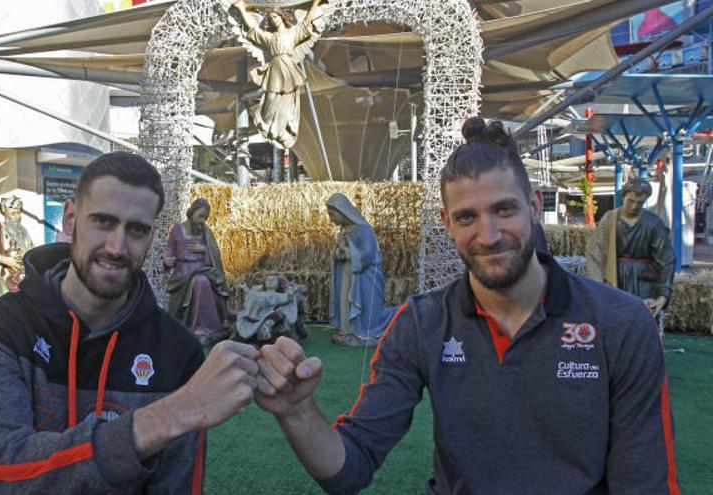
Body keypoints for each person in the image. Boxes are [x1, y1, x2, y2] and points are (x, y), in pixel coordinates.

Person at [252, 118, 679, 494]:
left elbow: (643, 482)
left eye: (504, 209)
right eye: (467, 217)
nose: (488, 234)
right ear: (447, 224)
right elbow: (352, 465)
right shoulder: (422, 323)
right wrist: (297, 412)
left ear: (534, 207)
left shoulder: (620, 322)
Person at [0, 152, 260, 494]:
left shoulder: (177, 350)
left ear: (152, 236)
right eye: (103, 221)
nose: (117, 247)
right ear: (70, 220)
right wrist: (169, 415)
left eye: (136, 230)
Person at [230, 0, 328, 149]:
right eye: (271, 19)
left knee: (287, 102)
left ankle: (284, 132)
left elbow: (307, 21)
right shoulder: (270, 39)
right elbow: (254, 30)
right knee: (270, 98)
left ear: (282, 17)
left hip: (288, 68)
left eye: (275, 17)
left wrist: (316, 3)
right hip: (276, 69)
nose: (274, 20)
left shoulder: (293, 33)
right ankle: (266, 122)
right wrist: (242, 9)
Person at [585, 177, 675, 317]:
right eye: (631, 201)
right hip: (614, 279)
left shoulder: (653, 223)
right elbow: (594, 253)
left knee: (642, 322)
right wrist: (597, 287)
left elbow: (666, 260)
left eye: (640, 203)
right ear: (624, 197)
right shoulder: (610, 219)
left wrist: (663, 295)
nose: (634, 207)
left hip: (644, 284)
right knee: (615, 321)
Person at [326, 193, 394, 347]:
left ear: (342, 212)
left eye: (332, 214)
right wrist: (339, 253)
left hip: (365, 278)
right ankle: (348, 330)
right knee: (345, 301)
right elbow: (338, 253)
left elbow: (367, 256)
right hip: (347, 274)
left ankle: (368, 332)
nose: (331, 219)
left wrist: (348, 253)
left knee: (369, 311)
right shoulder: (344, 231)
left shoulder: (364, 230)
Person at [163, 198, 230, 346]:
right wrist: (168, 260)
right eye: (200, 216)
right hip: (182, 273)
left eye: (205, 218)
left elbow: (215, 255)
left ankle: (205, 328)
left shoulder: (206, 231)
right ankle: (188, 327)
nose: (202, 221)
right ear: (191, 213)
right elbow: (170, 251)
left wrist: (204, 250)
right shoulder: (177, 230)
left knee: (201, 281)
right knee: (198, 281)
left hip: (204, 270)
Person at [0, 196, 34, 304]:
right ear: (5, 213)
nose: (15, 217)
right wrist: (4, 260)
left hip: (22, 278)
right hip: (4, 279)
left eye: (18, 213)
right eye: (12, 213)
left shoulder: (23, 231)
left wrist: (26, 252)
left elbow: (31, 249)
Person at [235, 275, 307, 343]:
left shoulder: (277, 295)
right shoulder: (260, 293)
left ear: (278, 284)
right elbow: (251, 296)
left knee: (275, 315)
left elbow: (287, 297)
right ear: (264, 283)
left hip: (267, 314)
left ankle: (266, 327)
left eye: (273, 280)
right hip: (255, 314)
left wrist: (291, 290)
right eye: (267, 280)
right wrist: (245, 288)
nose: (270, 281)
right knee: (238, 315)